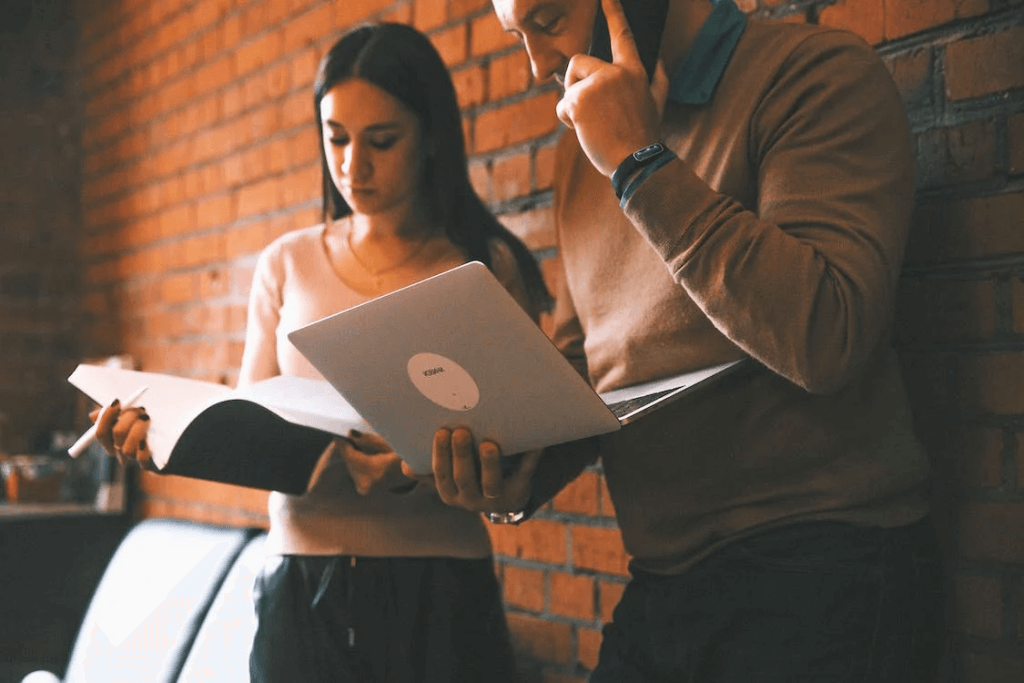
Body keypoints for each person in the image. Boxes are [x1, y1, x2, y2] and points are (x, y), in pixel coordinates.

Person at [420, 0, 946, 681]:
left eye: (548, 19)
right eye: (517, 37)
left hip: (826, 563)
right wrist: (517, 466)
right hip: (662, 583)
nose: (537, 65)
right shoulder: (581, 152)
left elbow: (828, 334)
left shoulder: (814, 74)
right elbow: (593, 364)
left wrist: (639, 165)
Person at [91, 21, 550, 683]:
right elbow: (252, 428)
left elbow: (523, 453)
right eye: (335, 137)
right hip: (302, 589)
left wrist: (430, 465)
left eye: (382, 141)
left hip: (441, 592)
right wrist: (164, 438)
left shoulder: (486, 265)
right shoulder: (288, 263)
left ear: (431, 140)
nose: (352, 166)